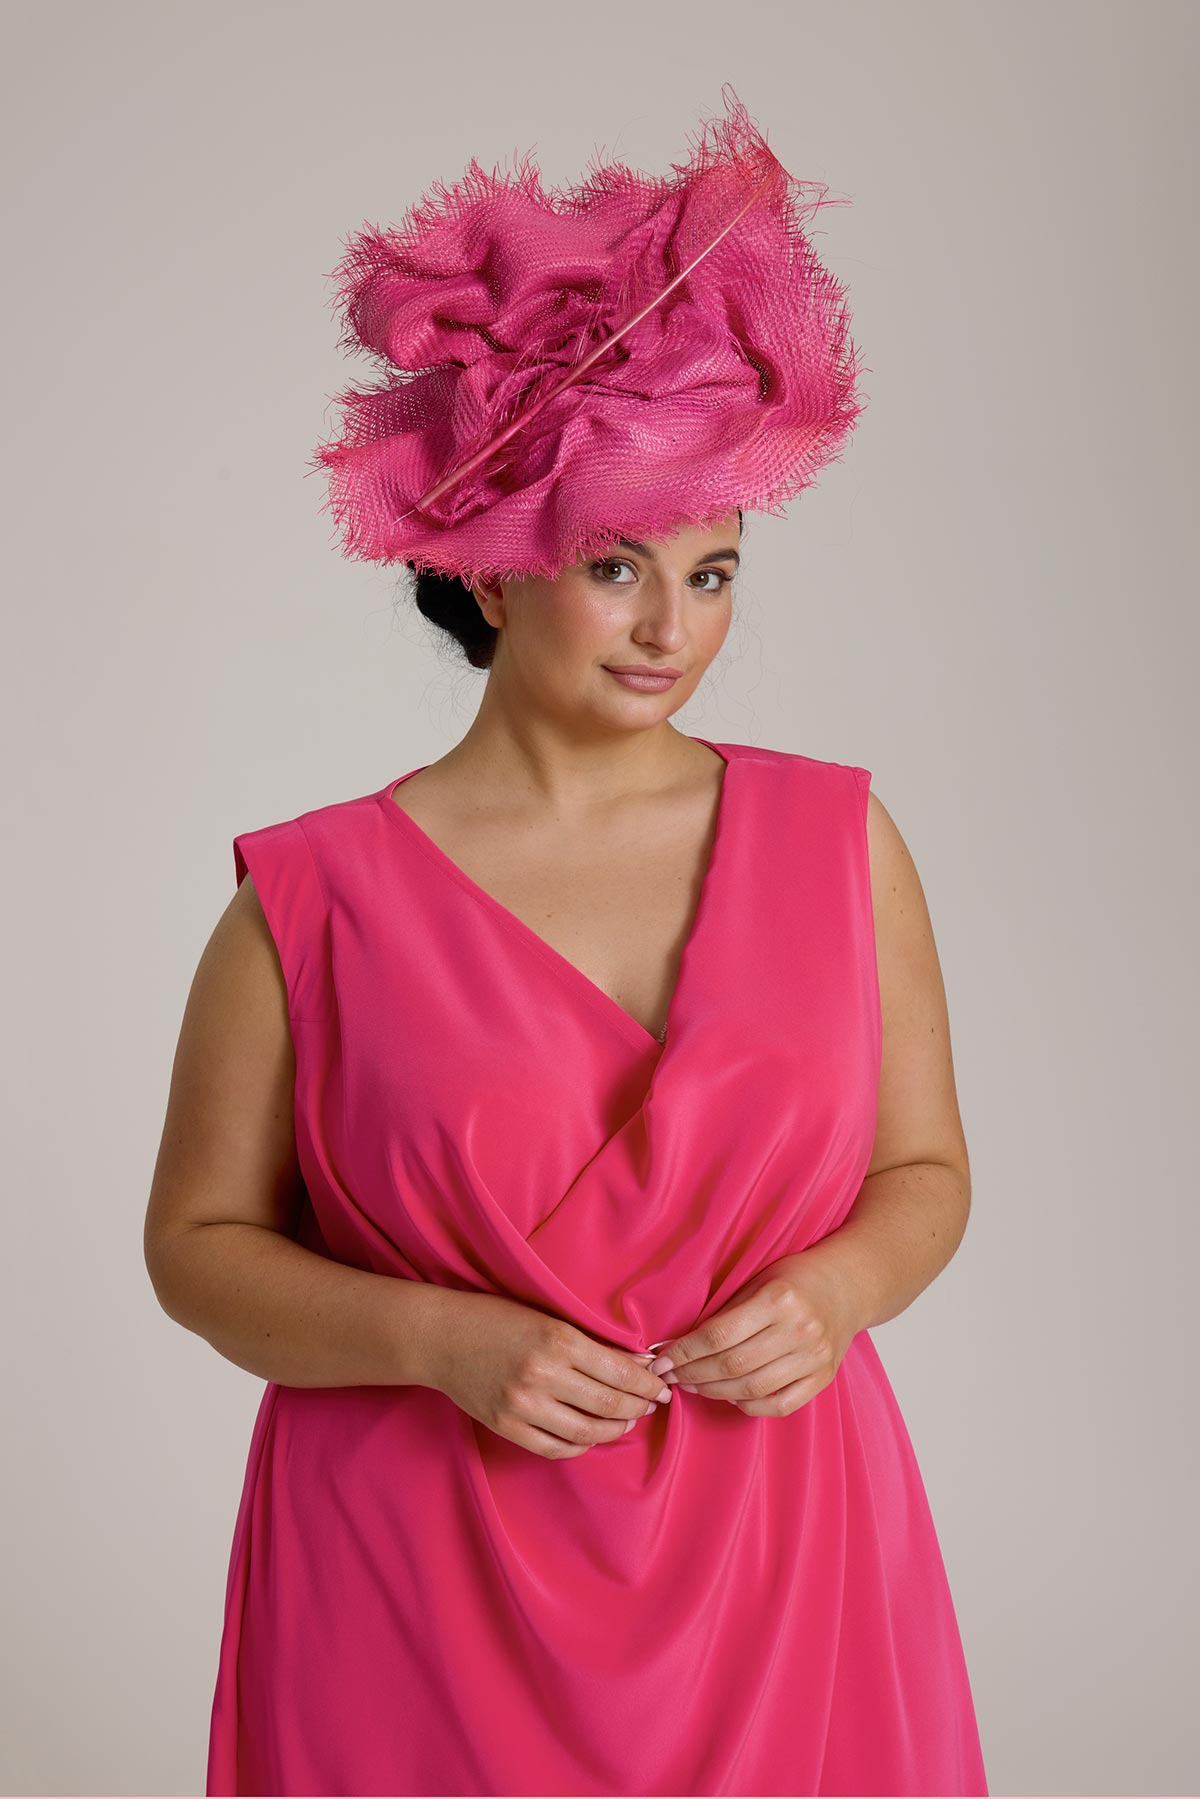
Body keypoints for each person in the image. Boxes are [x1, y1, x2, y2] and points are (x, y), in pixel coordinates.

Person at [144, 88, 988, 1797]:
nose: (675, 627)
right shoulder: (311, 898)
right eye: (616, 565)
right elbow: (198, 1245)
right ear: (485, 571)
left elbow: (926, 1175)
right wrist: (435, 1339)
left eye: (717, 569)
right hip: (412, 1571)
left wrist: (833, 1293)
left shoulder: (839, 842)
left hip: (781, 1552)